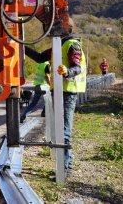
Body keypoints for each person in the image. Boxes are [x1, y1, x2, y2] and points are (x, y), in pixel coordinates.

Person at [23, 19, 87, 174]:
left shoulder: (72, 44)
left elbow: (76, 67)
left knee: (64, 131)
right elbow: (39, 57)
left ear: (65, 29)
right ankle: (64, 166)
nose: (50, 31)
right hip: (60, 92)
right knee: (61, 130)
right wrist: (21, 46)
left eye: (53, 28)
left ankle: (65, 169)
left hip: (67, 92)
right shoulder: (59, 46)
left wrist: (67, 72)